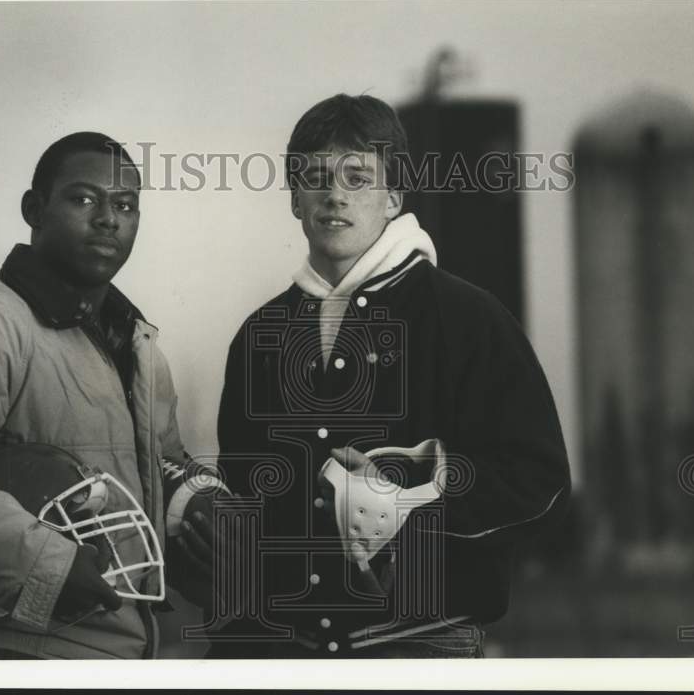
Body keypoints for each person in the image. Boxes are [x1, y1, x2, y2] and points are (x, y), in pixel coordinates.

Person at [210, 94, 571, 658]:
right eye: (316, 178)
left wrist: (408, 501)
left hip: (421, 651)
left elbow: (539, 481)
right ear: (295, 198)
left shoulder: (469, 318)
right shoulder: (260, 335)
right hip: (285, 654)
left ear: (395, 197)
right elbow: (244, 494)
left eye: (358, 177)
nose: (335, 195)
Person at [0, 131, 224, 659]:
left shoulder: (142, 350)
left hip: (113, 655)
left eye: (125, 205)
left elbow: (158, 472)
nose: (109, 219)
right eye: (84, 199)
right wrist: (42, 566)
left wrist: (202, 513)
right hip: (4, 655)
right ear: (34, 209)